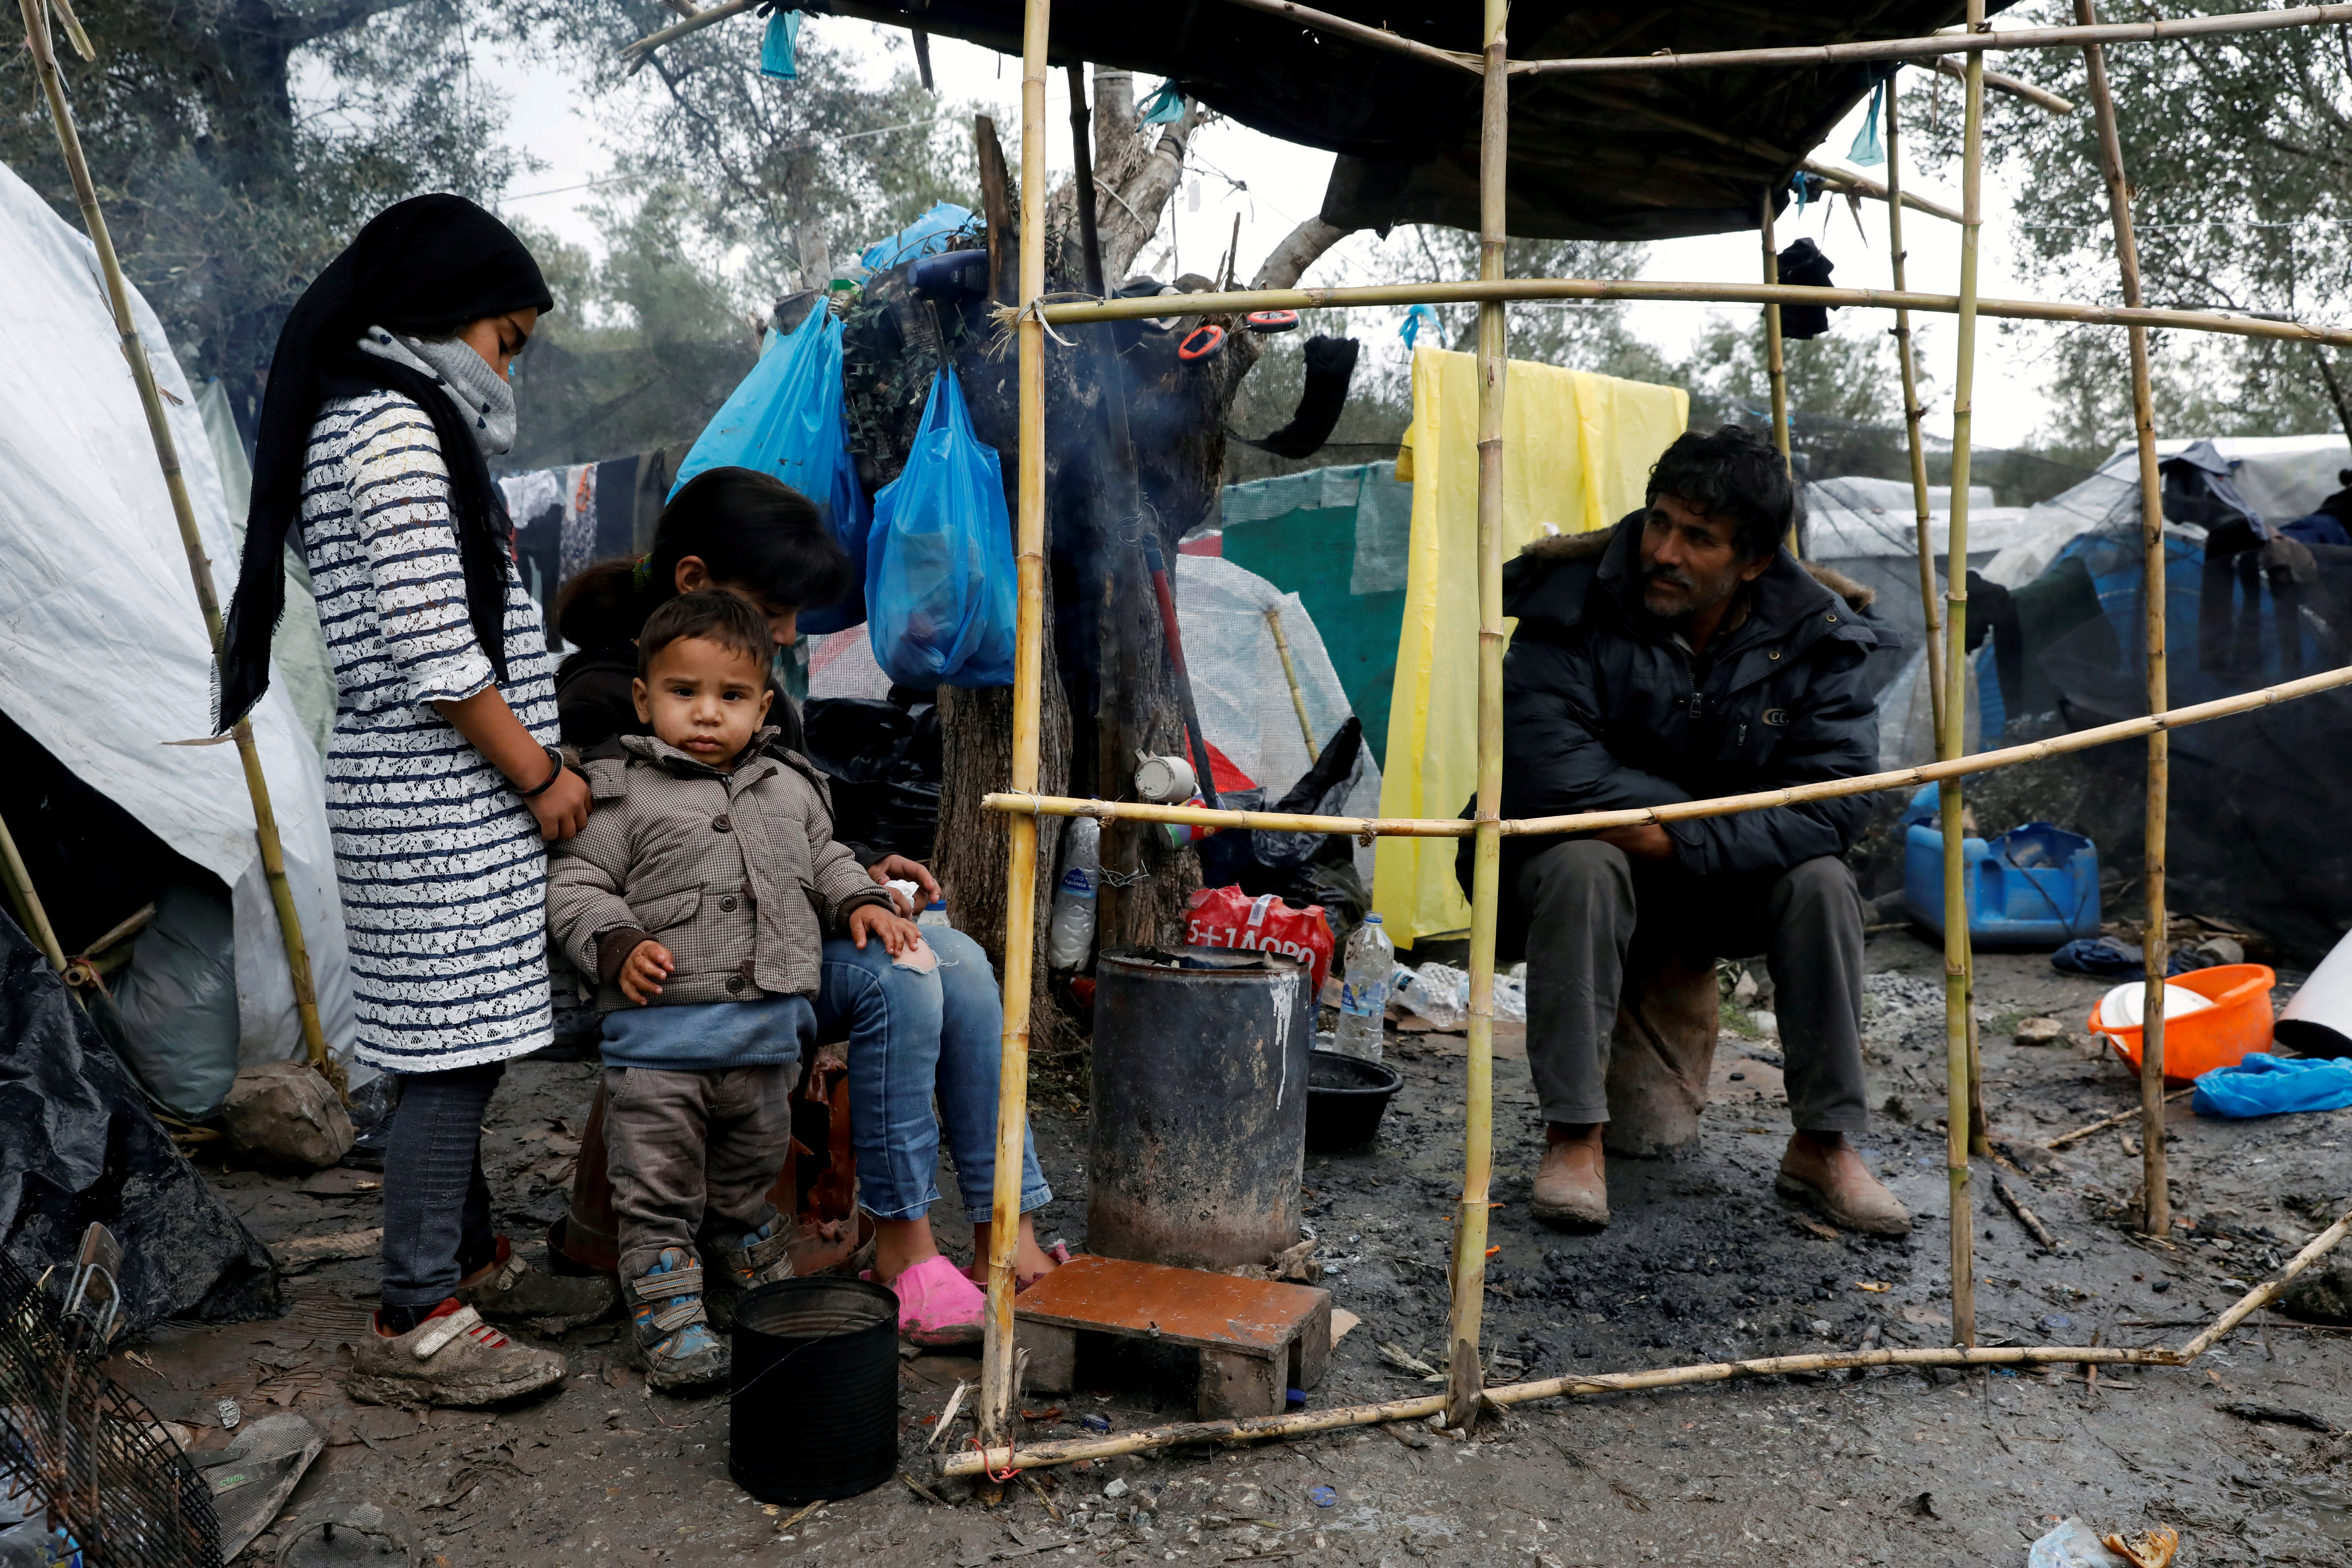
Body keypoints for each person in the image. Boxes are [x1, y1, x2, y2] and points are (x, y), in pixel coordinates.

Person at [217, 195, 612, 1408]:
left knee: (466, 1045)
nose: (511, 366)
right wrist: (544, 776)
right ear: (442, 316)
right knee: (448, 1064)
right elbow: (442, 658)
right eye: (507, 337)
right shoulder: (390, 433)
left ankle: (470, 1260)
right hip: (439, 802)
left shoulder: (403, 422)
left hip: (445, 806)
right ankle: (414, 1317)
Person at [551, 467, 1060, 1344]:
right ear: (694, 582)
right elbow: (663, 852)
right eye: (779, 608)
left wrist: (864, 874)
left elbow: (784, 823)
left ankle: (999, 1228)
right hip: (695, 977)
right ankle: (902, 1242)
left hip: (775, 946)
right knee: (901, 977)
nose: (791, 632)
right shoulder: (608, 703)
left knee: (964, 963)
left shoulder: (753, 692)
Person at [1476, 424, 1912, 1238]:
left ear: (1753, 561)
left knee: (1822, 881)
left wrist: (1686, 842)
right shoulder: (1569, 603)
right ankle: (1574, 1135)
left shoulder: (1820, 635)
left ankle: (1824, 1142)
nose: (1664, 551)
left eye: (1698, 537)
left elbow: (1831, 802)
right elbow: (1554, 779)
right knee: (1583, 858)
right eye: (1659, 521)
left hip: (1715, 883)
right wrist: (1713, 829)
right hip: (1558, 875)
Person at [548, 592, 908, 1387]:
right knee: (660, 1188)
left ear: (764, 704)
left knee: (748, 1176)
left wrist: (864, 903)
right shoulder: (619, 789)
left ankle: (741, 1262)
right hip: (659, 1051)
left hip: (767, 1041)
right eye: (685, 693)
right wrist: (616, 941)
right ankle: (669, 1314)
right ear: (645, 698)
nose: (707, 714)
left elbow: (831, 857)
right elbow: (577, 882)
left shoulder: (790, 786)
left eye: (731, 697)